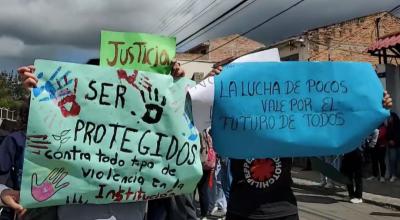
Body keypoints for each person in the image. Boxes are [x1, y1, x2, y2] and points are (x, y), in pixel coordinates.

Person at [0, 60, 186, 220]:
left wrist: (175, 89)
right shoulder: (57, 140)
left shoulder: (141, 143)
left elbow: (179, 159)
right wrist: (4, 193)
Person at [206, 65, 393, 219]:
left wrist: (377, 107)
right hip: (242, 211)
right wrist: (208, 85)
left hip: (283, 210)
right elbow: (197, 115)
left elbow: (341, 122)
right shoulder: (232, 129)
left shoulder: (290, 128)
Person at [387, 111, 400, 182]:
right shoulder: (389, 126)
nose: (389, 119)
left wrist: (394, 140)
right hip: (392, 146)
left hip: (398, 144)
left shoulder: (398, 125)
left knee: (397, 161)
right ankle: (393, 175)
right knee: (392, 160)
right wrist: (390, 140)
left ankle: (397, 175)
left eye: (390, 117)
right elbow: (387, 135)